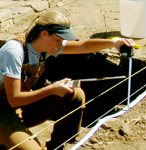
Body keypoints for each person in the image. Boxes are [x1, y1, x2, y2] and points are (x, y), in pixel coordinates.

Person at [0, 10, 134, 150]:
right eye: (58, 40)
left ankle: (57, 146)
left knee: (75, 95)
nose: (60, 44)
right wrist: (51, 89)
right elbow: (14, 99)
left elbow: (84, 46)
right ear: (44, 33)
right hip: (3, 111)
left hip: (18, 107)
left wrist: (114, 43)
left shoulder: (45, 47)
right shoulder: (14, 52)